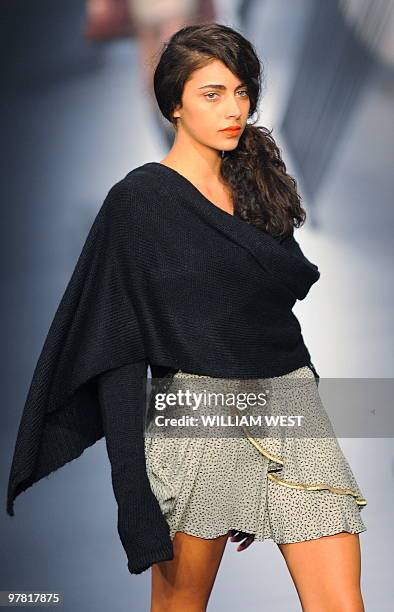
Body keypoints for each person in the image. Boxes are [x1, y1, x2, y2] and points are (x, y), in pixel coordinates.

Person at [6, 22, 367, 612]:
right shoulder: (140, 201)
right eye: (212, 93)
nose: (234, 108)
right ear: (175, 104)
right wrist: (134, 494)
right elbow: (116, 348)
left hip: (292, 405)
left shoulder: (257, 186)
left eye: (242, 92)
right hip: (198, 416)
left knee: (340, 603)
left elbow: (277, 315)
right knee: (180, 607)